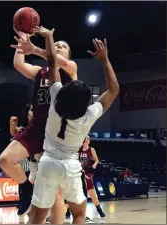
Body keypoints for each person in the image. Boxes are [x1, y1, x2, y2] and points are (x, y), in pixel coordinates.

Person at [28, 26, 119, 224]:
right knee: (78, 214)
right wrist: (104, 60)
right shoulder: (88, 115)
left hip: (48, 163)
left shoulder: (55, 98)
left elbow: (52, 63)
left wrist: (49, 37)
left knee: (38, 216)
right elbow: (113, 90)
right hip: (70, 166)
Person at [0, 26, 77, 218]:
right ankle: (26, 188)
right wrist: (23, 40)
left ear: (68, 54)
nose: (58, 47)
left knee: (56, 194)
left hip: (57, 132)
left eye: (62, 46)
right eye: (56, 44)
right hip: (37, 127)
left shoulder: (70, 69)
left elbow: (56, 60)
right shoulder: (41, 72)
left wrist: (34, 49)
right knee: (5, 160)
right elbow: (19, 64)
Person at [79, 136, 106, 219]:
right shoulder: (78, 149)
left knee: (92, 193)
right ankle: (68, 211)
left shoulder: (91, 149)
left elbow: (97, 160)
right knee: (74, 193)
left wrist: (94, 165)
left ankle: (99, 210)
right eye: (85, 138)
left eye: (88, 139)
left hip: (87, 172)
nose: (86, 140)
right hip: (78, 172)